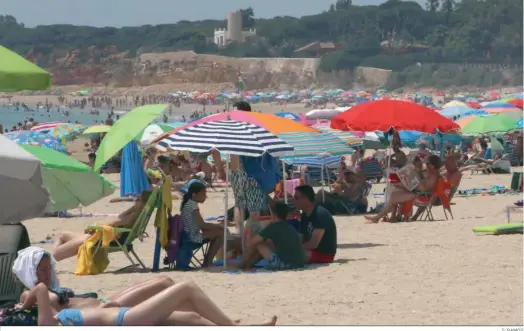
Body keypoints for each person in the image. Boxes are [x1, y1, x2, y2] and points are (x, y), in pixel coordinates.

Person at [25, 282, 277, 326]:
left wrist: (24, 304)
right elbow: (41, 288)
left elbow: (45, 292)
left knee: (192, 318)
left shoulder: (59, 318)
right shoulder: (49, 323)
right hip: (129, 320)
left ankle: (232, 324)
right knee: (185, 289)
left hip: (128, 316)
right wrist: (26, 301)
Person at [52, 190, 151, 261]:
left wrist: (93, 227)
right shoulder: (138, 212)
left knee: (55, 255)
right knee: (63, 235)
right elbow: (119, 218)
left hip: (101, 239)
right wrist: (132, 208)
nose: (135, 200)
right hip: (104, 236)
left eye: (138, 199)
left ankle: (49, 261)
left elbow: (114, 223)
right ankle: (49, 261)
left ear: (142, 202)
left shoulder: (134, 216)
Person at [365, 155, 443, 223]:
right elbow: (422, 185)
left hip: (420, 197)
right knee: (395, 192)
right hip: (418, 194)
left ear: (433, 165)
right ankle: (389, 217)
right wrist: (417, 173)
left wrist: (416, 174)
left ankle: (378, 217)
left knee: (394, 195)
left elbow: (423, 188)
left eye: (428, 163)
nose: (426, 164)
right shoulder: (432, 174)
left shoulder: (433, 177)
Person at [239, 201, 304, 270]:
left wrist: (250, 231)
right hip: (298, 264)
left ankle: (246, 265)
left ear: (274, 215)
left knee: (259, 244)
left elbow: (250, 243)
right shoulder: (289, 226)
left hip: (284, 265)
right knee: (268, 243)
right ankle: (248, 264)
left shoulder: (273, 227)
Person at [180, 181, 225, 267]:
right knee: (220, 233)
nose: (206, 196)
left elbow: (201, 225)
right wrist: (219, 226)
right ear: (194, 194)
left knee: (218, 230)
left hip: (186, 235)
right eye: (203, 194)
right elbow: (202, 225)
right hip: (191, 238)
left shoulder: (188, 203)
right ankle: (208, 262)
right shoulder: (192, 205)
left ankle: (208, 261)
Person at [294, 185, 337, 264]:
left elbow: (313, 244)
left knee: (295, 254)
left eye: (296, 198)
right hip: (311, 251)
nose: (294, 201)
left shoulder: (320, 215)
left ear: (305, 199)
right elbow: (302, 237)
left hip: (324, 255)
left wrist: (294, 248)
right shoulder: (305, 214)